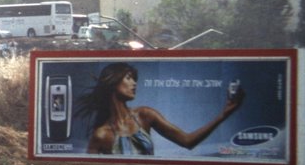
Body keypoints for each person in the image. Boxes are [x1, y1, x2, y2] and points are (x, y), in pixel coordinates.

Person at [76, 62, 245, 155]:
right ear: (113, 82)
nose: (134, 83)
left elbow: (187, 141)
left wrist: (223, 115)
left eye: (135, 79)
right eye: (129, 78)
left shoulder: (145, 115)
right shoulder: (102, 135)